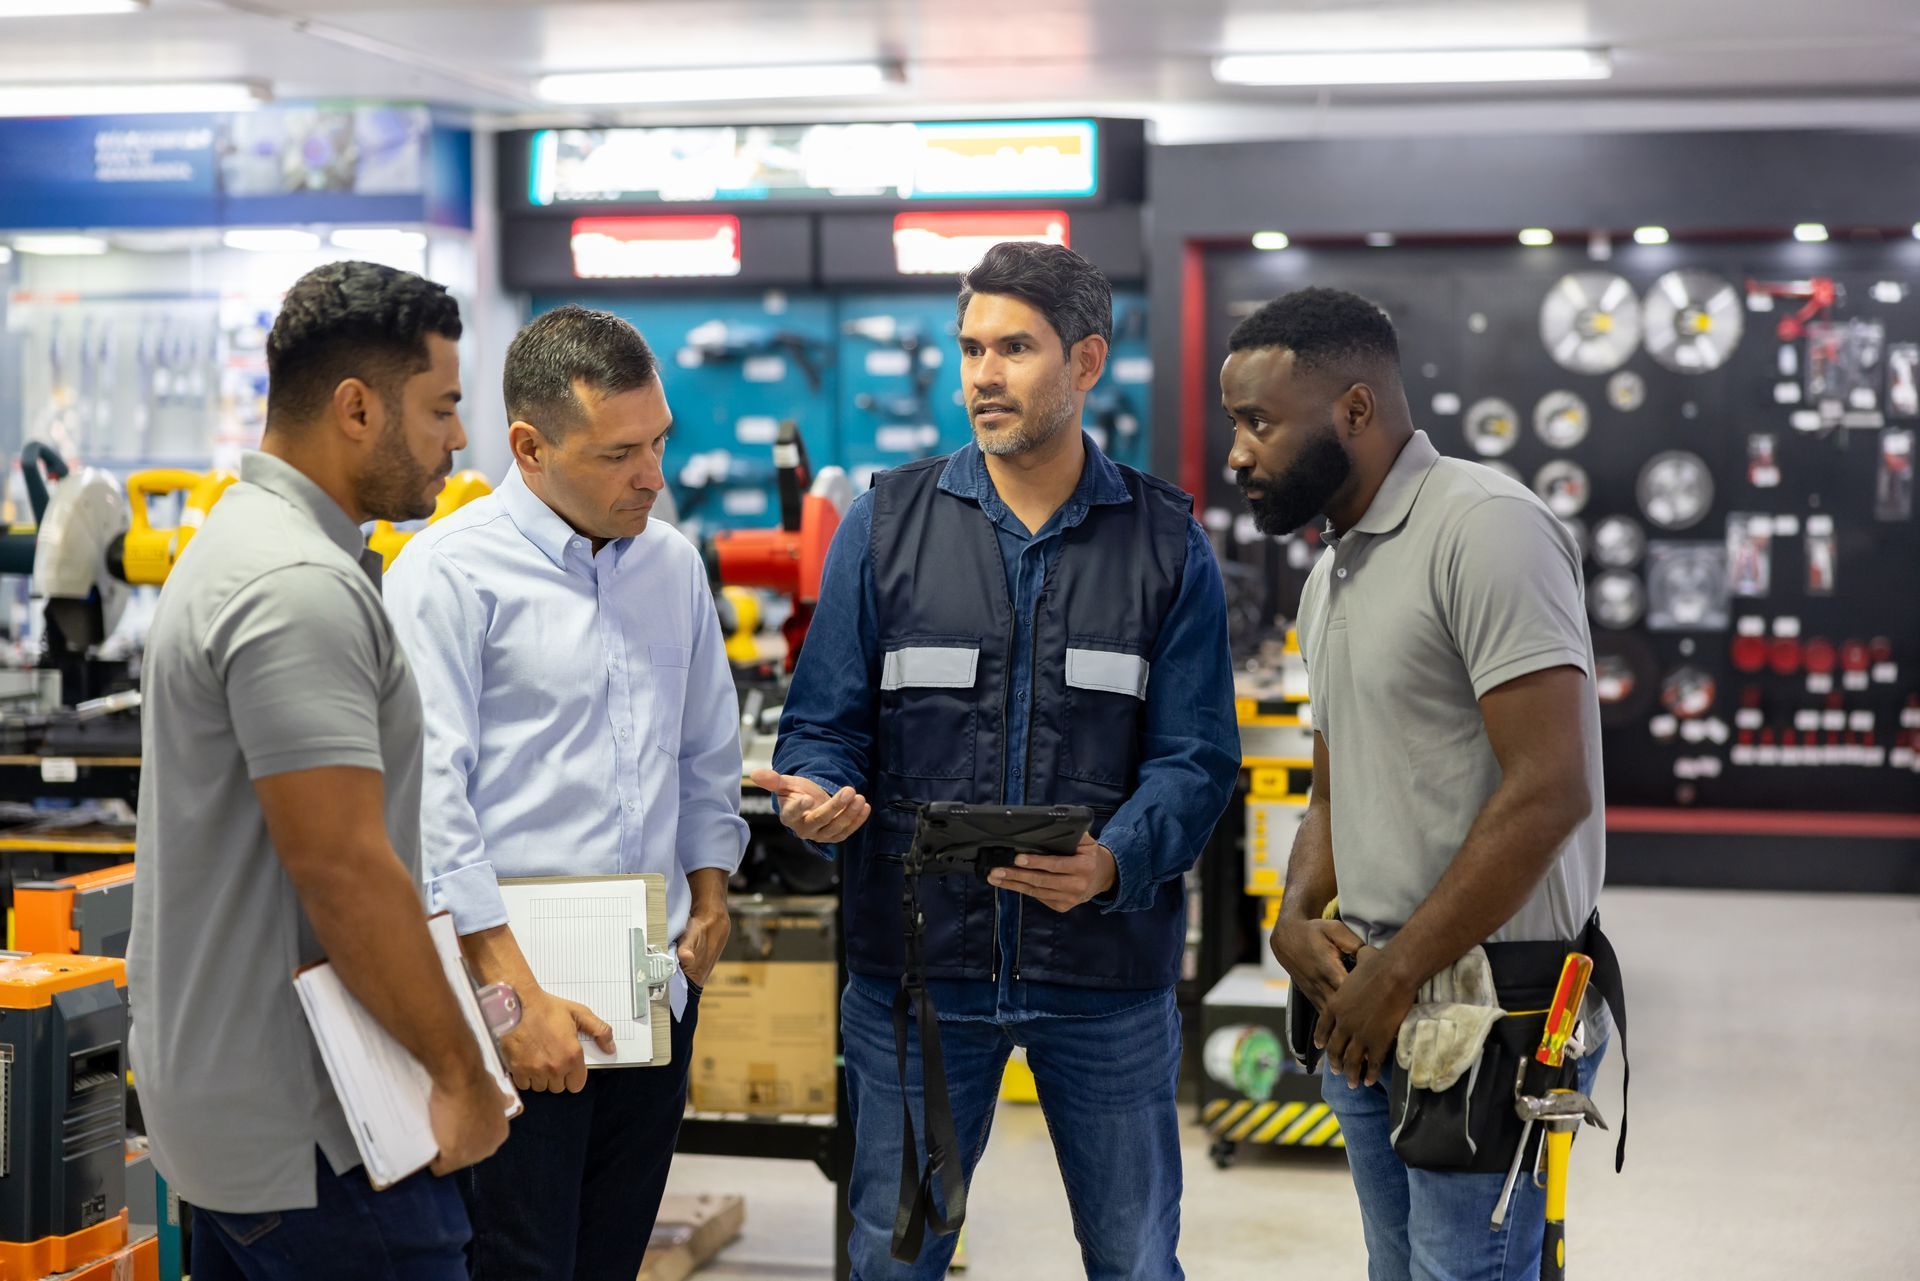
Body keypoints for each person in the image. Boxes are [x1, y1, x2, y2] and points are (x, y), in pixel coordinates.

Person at [755, 242, 1240, 1280]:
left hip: (1105, 977)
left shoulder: (1165, 545)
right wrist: (822, 790)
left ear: (1087, 361)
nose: (983, 373)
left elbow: (1198, 759)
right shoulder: (886, 525)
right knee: (894, 1259)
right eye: (971, 347)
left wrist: (1112, 863)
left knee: (1135, 1258)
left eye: (1015, 348)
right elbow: (823, 721)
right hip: (919, 976)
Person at [1223, 287, 1618, 1281]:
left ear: (1356, 411)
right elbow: (1335, 782)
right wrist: (1295, 907)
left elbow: (1549, 788)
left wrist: (1400, 975)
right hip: (1371, 990)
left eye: (1259, 422)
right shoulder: (1332, 572)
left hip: (1492, 1001)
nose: (1239, 457)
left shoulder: (1486, 530)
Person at [128, 260, 510, 1280]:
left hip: (241, 1119)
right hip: (321, 1133)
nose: (457, 439)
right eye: (440, 407)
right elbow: (341, 868)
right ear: (355, 408)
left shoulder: (244, 546)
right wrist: (461, 1073)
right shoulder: (298, 587)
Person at [385, 305, 747, 1281]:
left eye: (660, 443)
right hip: (514, 1005)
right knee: (517, 1263)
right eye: (621, 453)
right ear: (529, 447)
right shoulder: (447, 576)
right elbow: (432, 803)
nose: (653, 477)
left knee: (609, 1257)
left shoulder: (669, 565)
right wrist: (512, 998)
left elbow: (707, 746)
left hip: (652, 995)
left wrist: (711, 899)